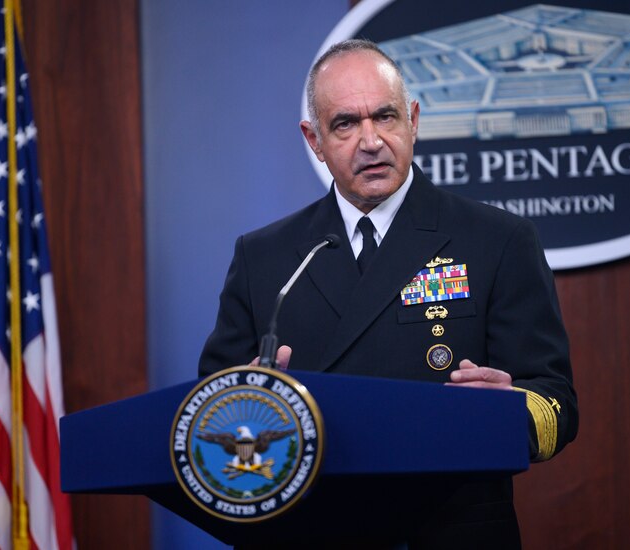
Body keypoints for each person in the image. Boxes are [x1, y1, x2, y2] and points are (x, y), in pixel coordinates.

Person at [199, 39, 578, 548]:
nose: (371, 140)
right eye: (346, 124)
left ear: (414, 120)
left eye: (385, 117)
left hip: (450, 533)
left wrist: (508, 411)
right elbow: (212, 410)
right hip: (313, 533)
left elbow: (557, 401)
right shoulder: (264, 258)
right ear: (313, 139)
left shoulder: (496, 239)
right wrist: (255, 405)